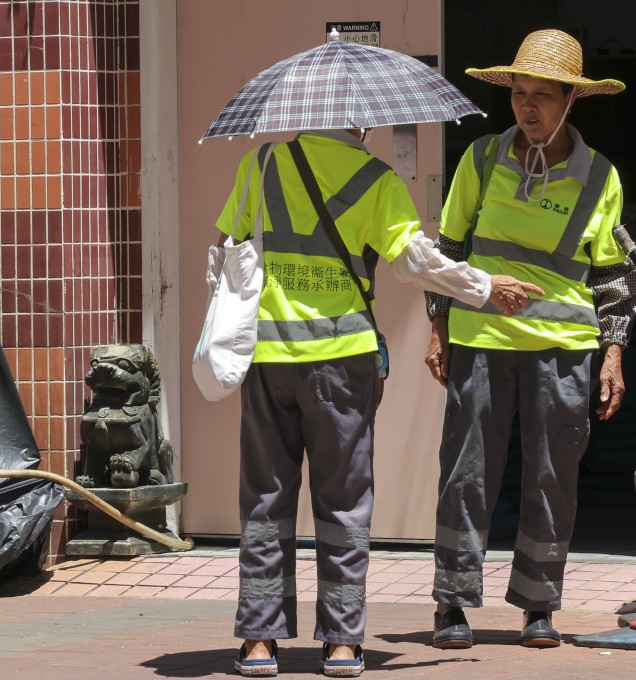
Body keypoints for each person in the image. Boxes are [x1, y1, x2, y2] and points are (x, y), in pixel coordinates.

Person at [218, 131, 542, 677]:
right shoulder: (376, 181)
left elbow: (229, 243)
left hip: (269, 355)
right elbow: (416, 262)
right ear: (361, 121)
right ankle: (342, 644)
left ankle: (258, 640)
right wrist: (483, 285)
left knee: (265, 498)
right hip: (342, 360)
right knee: (344, 502)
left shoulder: (261, 163)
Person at [424, 28, 634, 650]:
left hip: (564, 349)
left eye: (543, 95)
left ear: (572, 99)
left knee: (552, 478)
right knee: (466, 475)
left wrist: (614, 353)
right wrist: (439, 329)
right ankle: (451, 604)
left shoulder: (599, 176)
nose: (528, 107)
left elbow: (614, 274)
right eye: (520, 93)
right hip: (482, 340)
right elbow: (448, 252)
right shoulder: (482, 160)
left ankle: (539, 605)